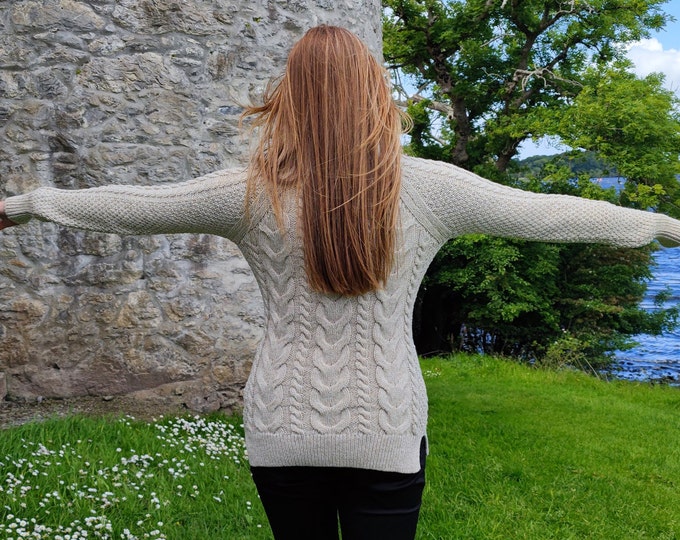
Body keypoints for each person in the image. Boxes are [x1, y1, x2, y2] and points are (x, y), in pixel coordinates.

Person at [1, 25, 679, 540]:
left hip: (279, 429)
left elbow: (131, 207)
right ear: (374, 92)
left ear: (288, 97)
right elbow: (551, 214)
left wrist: (23, 204)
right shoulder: (431, 188)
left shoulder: (249, 193)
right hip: (385, 429)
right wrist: (663, 226)